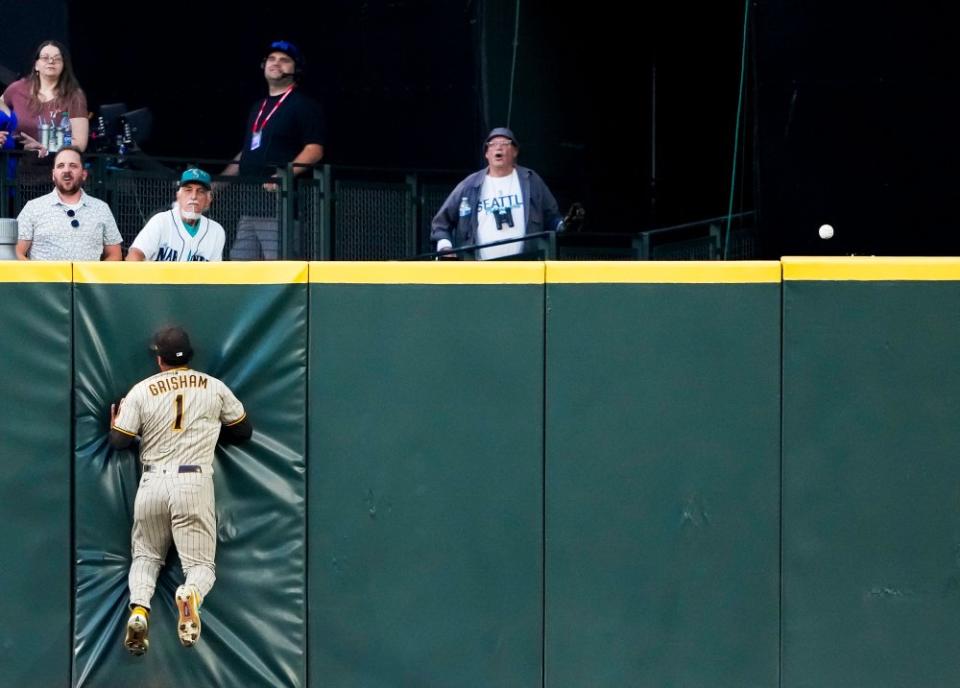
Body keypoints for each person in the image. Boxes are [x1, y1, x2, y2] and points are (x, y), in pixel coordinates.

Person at [109, 326, 253, 655]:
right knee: (200, 567)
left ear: (159, 359)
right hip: (193, 479)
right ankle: (190, 595)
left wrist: (116, 426)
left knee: (145, 557)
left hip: (153, 481)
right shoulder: (213, 387)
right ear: (189, 356)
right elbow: (244, 431)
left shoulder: (142, 390)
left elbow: (118, 442)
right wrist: (210, 430)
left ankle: (140, 610)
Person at [221, 40, 325, 259]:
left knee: (278, 269)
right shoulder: (257, 107)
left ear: (296, 69)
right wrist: (216, 184)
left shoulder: (303, 105)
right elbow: (247, 152)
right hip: (249, 207)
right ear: (263, 65)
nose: (276, 63)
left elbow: (314, 149)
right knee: (239, 268)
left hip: (281, 208)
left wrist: (283, 175)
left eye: (284, 60)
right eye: (272, 58)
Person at [431, 127, 566, 260]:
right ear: (486, 154)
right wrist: (445, 247)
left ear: (515, 151)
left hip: (526, 268)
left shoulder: (531, 180)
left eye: (504, 144)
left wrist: (563, 225)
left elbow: (552, 217)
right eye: (493, 145)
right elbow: (441, 223)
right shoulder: (470, 185)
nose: (498, 148)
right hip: (480, 271)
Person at [15, 146, 122, 260]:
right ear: (53, 175)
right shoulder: (33, 208)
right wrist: (37, 276)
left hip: (88, 278)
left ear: (84, 174)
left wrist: (95, 277)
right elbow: (15, 252)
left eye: (73, 165)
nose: (66, 170)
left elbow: (115, 254)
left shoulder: (101, 208)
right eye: (61, 166)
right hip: (44, 278)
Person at [2, 40, 89, 156]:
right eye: (45, 57)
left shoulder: (74, 95)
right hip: (16, 165)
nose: (51, 61)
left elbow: (79, 143)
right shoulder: (17, 89)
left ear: (64, 65)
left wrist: (45, 146)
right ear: (36, 65)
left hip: (57, 166)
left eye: (57, 59)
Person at [127, 168, 225, 262]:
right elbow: (134, 256)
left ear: (208, 200)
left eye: (200, 192)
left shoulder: (216, 231)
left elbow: (215, 274)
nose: (194, 196)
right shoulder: (160, 221)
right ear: (178, 196)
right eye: (188, 190)